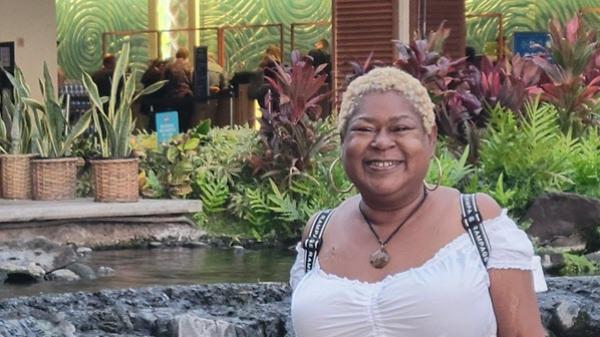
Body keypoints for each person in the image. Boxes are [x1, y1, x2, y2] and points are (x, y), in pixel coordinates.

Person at [290, 67, 547, 337]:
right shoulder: (318, 233)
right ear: (343, 143)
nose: (381, 142)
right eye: (364, 129)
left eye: (400, 128)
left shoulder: (477, 222)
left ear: (430, 139)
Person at [163, 47, 194, 132]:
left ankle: (175, 140)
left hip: (171, 98)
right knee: (185, 122)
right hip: (186, 97)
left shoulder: (169, 67)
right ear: (186, 56)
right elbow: (192, 81)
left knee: (173, 123)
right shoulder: (188, 66)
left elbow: (164, 82)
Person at [308, 38, 332, 118]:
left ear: (321, 45)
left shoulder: (312, 53)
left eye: (317, 43)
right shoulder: (327, 57)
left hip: (312, 84)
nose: (315, 45)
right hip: (325, 83)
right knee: (324, 105)